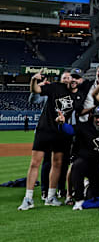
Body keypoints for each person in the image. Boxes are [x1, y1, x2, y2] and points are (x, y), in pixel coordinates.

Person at [19, 69, 86, 210]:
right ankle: (28, 198)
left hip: (61, 132)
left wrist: (63, 120)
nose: (73, 80)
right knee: (35, 163)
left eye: (76, 78)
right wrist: (33, 80)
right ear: (67, 79)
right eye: (71, 77)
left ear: (80, 80)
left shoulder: (80, 96)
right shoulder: (56, 87)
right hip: (45, 129)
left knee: (57, 163)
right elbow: (36, 90)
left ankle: (51, 196)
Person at [55, 105, 99, 211]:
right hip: (87, 163)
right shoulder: (85, 126)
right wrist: (62, 124)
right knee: (77, 165)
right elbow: (70, 130)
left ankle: (89, 187)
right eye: (96, 117)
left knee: (95, 195)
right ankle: (78, 199)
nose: (98, 119)